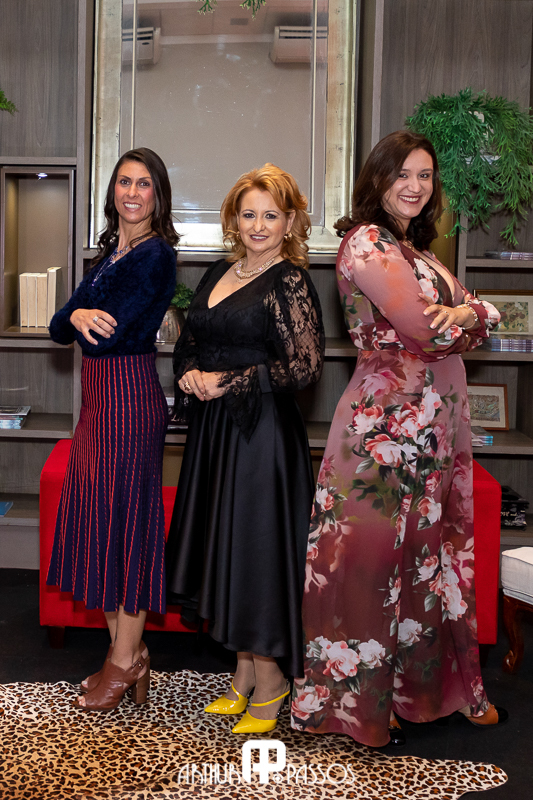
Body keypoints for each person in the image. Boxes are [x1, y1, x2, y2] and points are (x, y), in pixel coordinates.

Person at [291, 131, 507, 748]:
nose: (415, 186)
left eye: (425, 176)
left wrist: (468, 314)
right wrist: (471, 315)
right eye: (402, 174)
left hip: (432, 429)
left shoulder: (416, 250)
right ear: (378, 179)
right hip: (383, 428)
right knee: (367, 562)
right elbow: (426, 332)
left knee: (424, 560)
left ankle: (417, 694)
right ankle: (361, 704)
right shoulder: (367, 242)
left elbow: (470, 317)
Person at [166, 163, 324, 734]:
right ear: (233, 218)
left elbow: (303, 367)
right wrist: (190, 373)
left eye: (270, 215)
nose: (258, 225)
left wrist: (226, 381)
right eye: (248, 213)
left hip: (262, 439)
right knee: (227, 549)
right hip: (215, 434)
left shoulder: (290, 281)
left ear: (290, 222)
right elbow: (191, 340)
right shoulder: (218, 271)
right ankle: (244, 673)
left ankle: (273, 681)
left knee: (256, 556)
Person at [47, 147, 179, 712]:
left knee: (127, 530)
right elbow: (60, 327)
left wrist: (79, 316)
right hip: (97, 405)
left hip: (128, 400)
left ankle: (123, 662)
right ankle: (130, 654)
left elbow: (109, 336)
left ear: (157, 194)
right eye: (124, 182)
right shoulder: (109, 256)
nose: (132, 192)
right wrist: (76, 314)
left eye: (143, 183)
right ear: (113, 192)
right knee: (101, 526)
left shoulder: (156, 256)